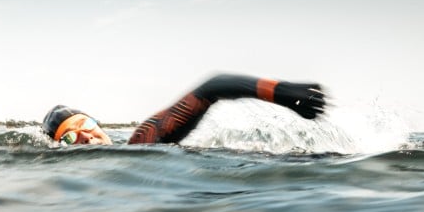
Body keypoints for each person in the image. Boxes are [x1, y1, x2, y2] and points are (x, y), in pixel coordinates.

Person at [42, 73, 326, 145]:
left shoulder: (142, 140)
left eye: (85, 125)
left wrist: (280, 91)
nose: (84, 137)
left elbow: (211, 88)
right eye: (69, 138)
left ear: (97, 123)